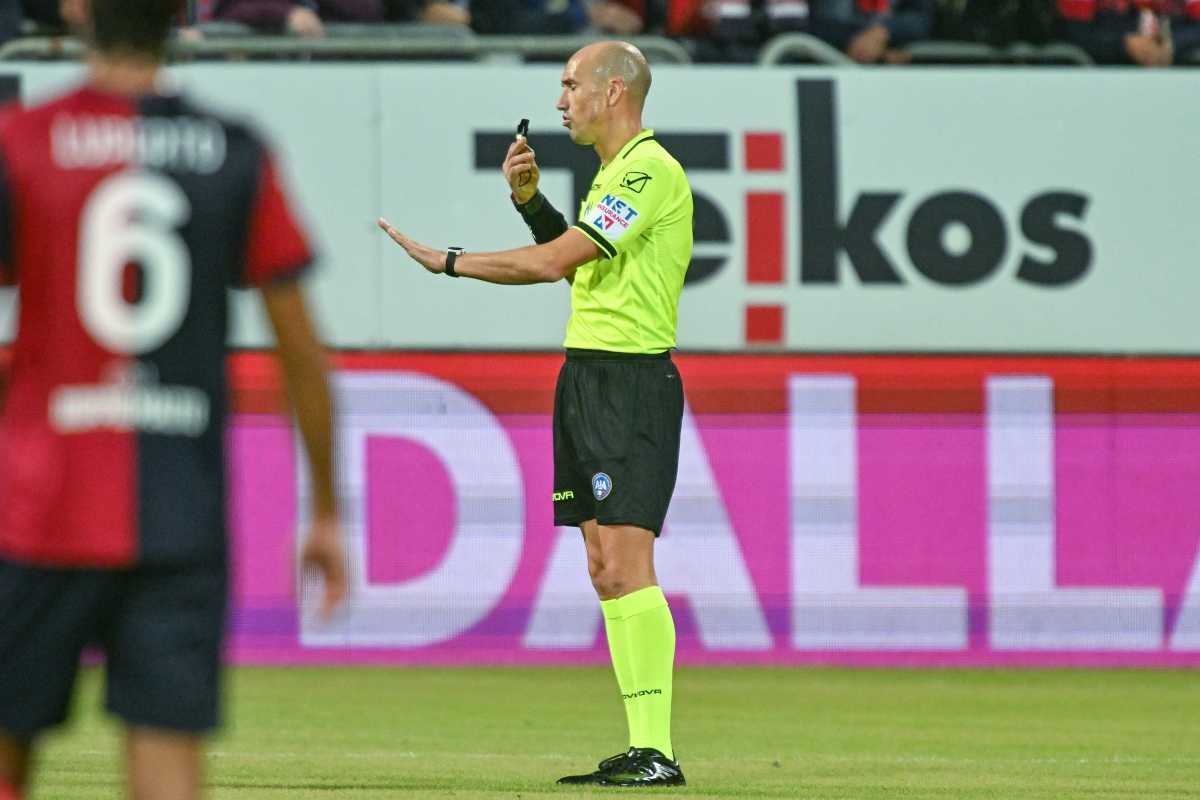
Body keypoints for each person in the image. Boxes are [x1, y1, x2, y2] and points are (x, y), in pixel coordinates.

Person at [0, 2, 348, 799]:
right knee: (166, 767)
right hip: (181, 513)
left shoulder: (20, 139)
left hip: (37, 503)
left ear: (78, 11)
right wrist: (325, 507)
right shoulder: (235, 150)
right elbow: (302, 347)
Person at [378, 40, 690, 789]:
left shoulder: (650, 169)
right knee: (602, 569)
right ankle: (644, 747)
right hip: (586, 375)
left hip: (630, 384)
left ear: (614, 91)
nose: (559, 100)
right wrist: (531, 205)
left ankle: (658, 750)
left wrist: (447, 260)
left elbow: (552, 265)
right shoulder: (612, 176)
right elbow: (579, 259)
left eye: (570, 84)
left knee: (627, 564)